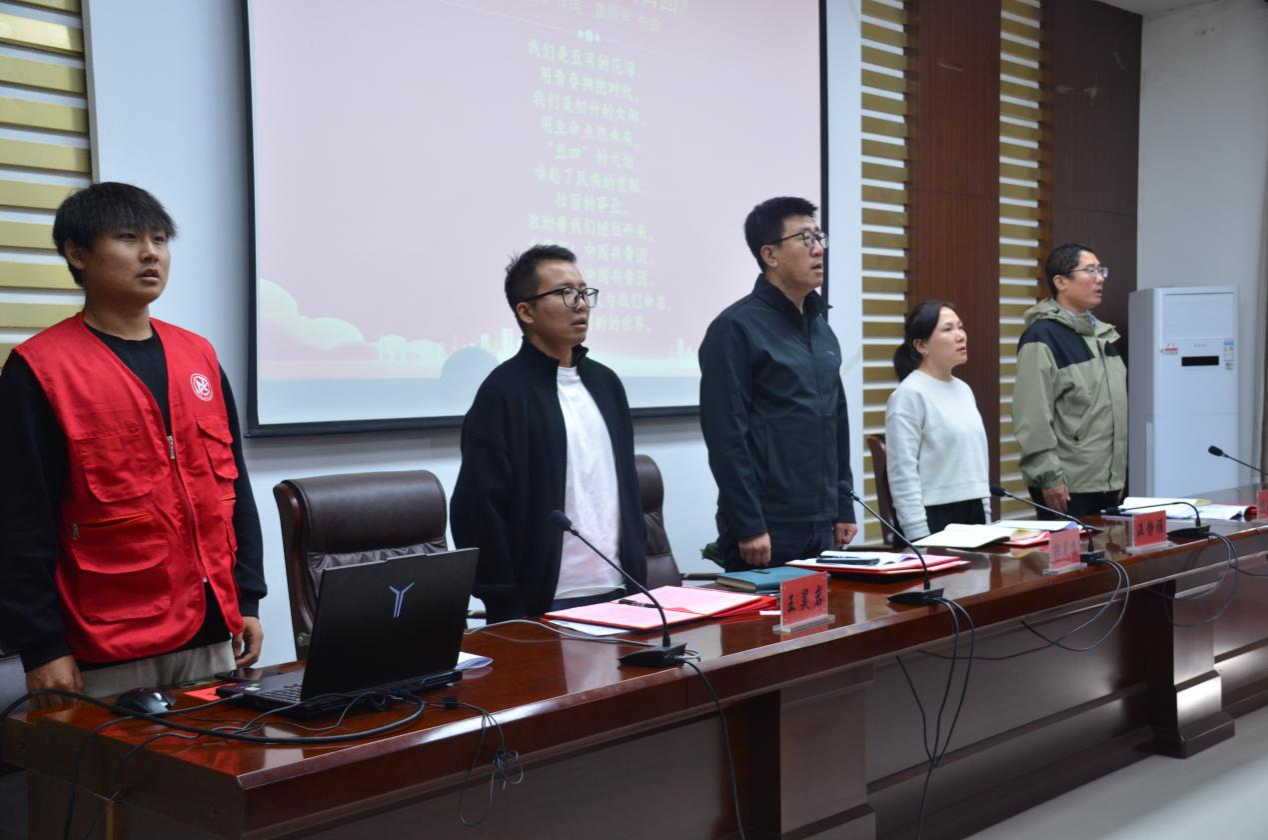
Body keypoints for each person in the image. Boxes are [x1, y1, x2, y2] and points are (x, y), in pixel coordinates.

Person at [0, 182, 267, 708]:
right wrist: (41, 645)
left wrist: (249, 597)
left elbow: (234, 490)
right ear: (77, 254)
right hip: (104, 647)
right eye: (128, 238)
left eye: (160, 239)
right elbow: (19, 519)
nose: (151, 254)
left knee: (218, 759)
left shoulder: (198, 356)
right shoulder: (40, 370)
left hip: (213, 633)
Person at [450, 245, 646, 623]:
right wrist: (504, 599)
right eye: (565, 293)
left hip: (622, 590)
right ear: (526, 311)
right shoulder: (503, 392)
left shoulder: (606, 384)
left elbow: (624, 489)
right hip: (541, 603)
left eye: (585, 292)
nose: (581, 304)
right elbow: (479, 508)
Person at [699, 196, 857, 572]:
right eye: (805, 239)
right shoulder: (735, 328)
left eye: (819, 237)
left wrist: (843, 505)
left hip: (821, 520)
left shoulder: (821, 328)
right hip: (767, 525)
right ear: (770, 255)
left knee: (828, 612)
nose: (818, 249)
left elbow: (836, 421)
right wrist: (749, 523)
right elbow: (726, 436)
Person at [1012, 242, 1127, 517]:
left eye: (1101, 270)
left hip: (1107, 483)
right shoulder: (1042, 337)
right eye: (1090, 270)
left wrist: (1116, 475)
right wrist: (1048, 476)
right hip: (1066, 486)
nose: (1100, 278)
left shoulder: (1102, 336)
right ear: (1061, 282)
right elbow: (1033, 416)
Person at [884, 301, 991, 540]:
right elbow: (902, 471)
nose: (960, 335)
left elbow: (975, 461)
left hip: (973, 512)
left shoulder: (964, 389)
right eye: (948, 329)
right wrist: (917, 534)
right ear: (921, 345)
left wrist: (985, 514)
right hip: (932, 517)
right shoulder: (909, 394)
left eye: (960, 327)